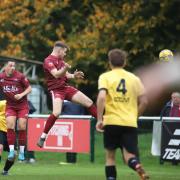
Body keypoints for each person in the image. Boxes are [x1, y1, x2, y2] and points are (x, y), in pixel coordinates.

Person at [96, 49, 149, 180]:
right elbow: (145, 101)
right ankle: (136, 165)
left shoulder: (105, 77)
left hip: (112, 121)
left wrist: (99, 119)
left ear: (109, 63)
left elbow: (102, 97)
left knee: (110, 156)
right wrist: (135, 117)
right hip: (129, 122)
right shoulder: (134, 79)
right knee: (129, 156)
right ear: (125, 62)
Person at [37, 41, 97, 148]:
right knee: (57, 112)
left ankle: (103, 123)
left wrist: (74, 75)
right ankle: (43, 136)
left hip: (65, 88)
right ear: (59, 50)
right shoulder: (48, 60)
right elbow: (56, 74)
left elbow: (65, 75)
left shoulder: (60, 60)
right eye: (64, 52)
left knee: (89, 102)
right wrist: (65, 68)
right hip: (56, 90)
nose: (65, 54)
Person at [0, 61, 32, 163]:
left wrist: (21, 95)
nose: (13, 68)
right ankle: (12, 150)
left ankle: (22, 151)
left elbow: (29, 88)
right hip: (10, 106)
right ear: (5, 67)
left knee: (22, 126)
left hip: (22, 106)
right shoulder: (1, 77)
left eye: (14, 66)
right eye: (10, 65)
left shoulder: (20, 76)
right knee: (10, 126)